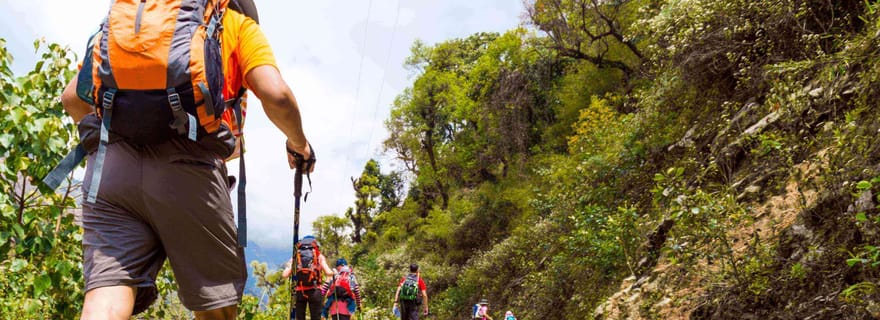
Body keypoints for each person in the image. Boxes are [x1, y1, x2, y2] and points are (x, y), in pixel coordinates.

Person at [60, 1, 314, 319]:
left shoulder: (130, 22)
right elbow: (275, 94)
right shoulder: (236, 24)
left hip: (111, 175)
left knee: (106, 300)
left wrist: (104, 149)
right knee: (215, 308)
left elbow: (72, 97)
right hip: (189, 169)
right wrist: (298, 143)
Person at [282, 235, 335, 320]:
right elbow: (328, 273)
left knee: (299, 317)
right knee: (316, 317)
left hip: (299, 291)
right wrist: (333, 272)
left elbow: (285, 275)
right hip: (315, 291)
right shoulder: (318, 256)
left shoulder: (296, 256)